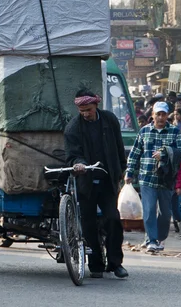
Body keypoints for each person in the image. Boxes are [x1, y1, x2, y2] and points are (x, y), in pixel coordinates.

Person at [64, 90, 128, 279]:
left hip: (108, 180)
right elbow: (72, 154)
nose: (86, 114)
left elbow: (118, 146)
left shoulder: (110, 120)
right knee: (88, 224)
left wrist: (121, 169)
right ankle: (96, 265)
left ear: (96, 106)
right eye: (82, 110)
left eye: (88, 110)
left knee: (113, 219)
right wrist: (78, 163)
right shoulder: (73, 128)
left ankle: (116, 263)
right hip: (85, 183)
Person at [125, 101, 181, 252]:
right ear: (153, 115)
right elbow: (135, 153)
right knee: (149, 209)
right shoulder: (144, 132)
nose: (161, 117)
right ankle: (151, 240)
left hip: (166, 179)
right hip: (147, 177)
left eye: (163, 114)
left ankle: (160, 238)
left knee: (165, 213)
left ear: (167, 116)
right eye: (158, 114)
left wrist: (164, 153)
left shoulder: (175, 132)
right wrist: (129, 172)